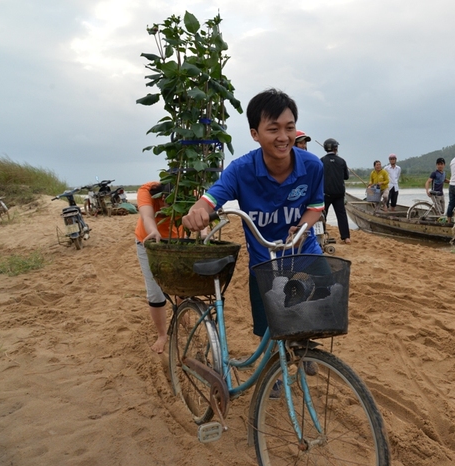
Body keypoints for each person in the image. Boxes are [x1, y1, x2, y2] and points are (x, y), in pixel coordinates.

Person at [182, 88, 325, 340]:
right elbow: (211, 198)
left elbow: (315, 207)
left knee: (320, 309)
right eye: (273, 129)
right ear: (254, 134)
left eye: (289, 128)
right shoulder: (241, 170)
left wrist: (302, 226)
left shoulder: (312, 166)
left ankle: (305, 352)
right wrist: (198, 210)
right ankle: (275, 377)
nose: (284, 137)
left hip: (304, 253)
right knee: (270, 334)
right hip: (264, 262)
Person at [135, 181, 182, 354]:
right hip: (148, 242)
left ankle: (181, 312)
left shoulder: (187, 192)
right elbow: (147, 216)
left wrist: (205, 232)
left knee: (182, 285)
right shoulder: (147, 190)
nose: (166, 207)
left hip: (177, 242)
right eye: (165, 202)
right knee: (155, 291)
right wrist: (153, 231)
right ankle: (162, 335)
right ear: (160, 196)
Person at [320, 138, 352, 244]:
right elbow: (346, 177)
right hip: (339, 193)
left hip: (326, 193)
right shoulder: (341, 161)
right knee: (341, 215)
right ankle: (346, 237)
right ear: (335, 148)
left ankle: (321, 236)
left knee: (323, 215)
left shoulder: (321, 161)